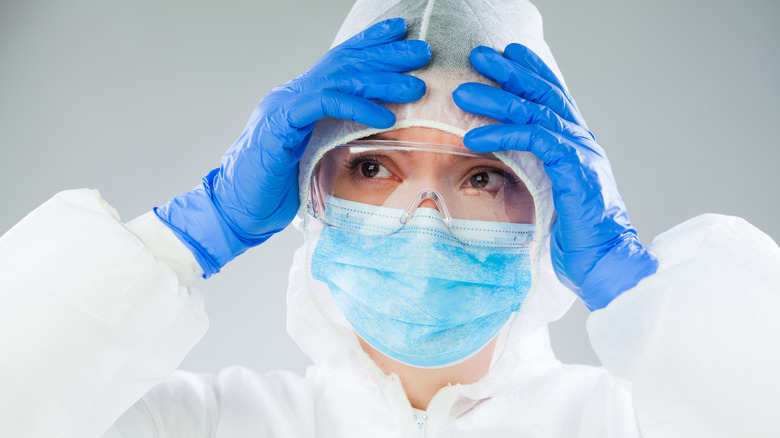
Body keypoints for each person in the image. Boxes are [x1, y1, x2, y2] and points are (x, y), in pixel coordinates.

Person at [1, 0, 779, 437]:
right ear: (313, 191)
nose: (426, 220)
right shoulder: (200, 426)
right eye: (374, 167)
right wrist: (192, 231)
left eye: (481, 175)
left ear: (545, 211)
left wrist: (629, 281)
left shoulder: (636, 425)